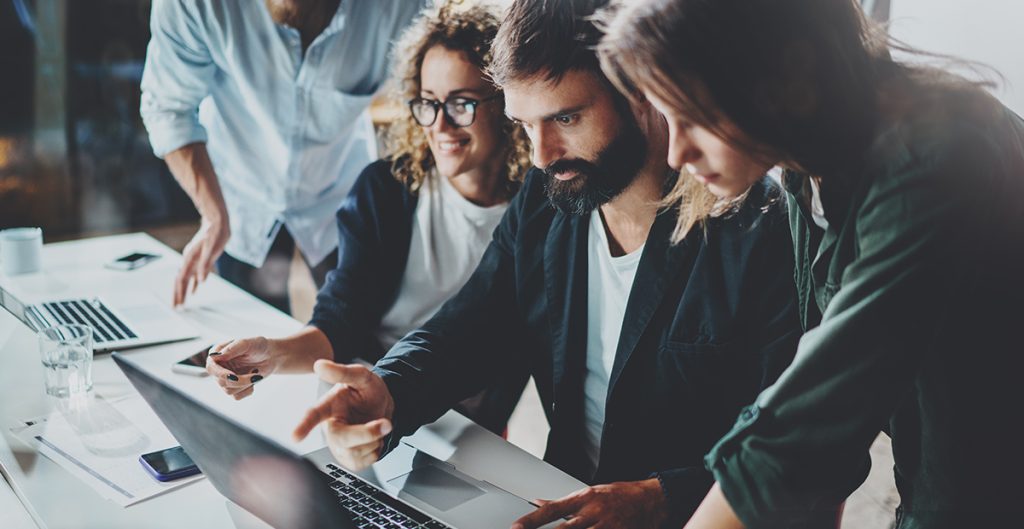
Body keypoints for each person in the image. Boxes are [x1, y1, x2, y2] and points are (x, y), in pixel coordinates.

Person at [281, 1, 803, 527]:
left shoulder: (760, 229)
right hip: (556, 502)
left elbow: (800, 447)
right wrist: (387, 390)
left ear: (640, 92)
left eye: (566, 118)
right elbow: (469, 326)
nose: (542, 155)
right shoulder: (548, 196)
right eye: (525, 126)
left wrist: (657, 498)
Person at [597, 0, 1024, 527]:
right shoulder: (806, 162)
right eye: (668, 118)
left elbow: (816, 415)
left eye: (696, 118)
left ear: (786, 73)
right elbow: (815, 394)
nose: (676, 153)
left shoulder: (935, 164)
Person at [204, 3, 533, 434]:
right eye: (428, 103)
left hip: (465, 425)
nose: (441, 125)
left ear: (506, 104)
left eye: (462, 103)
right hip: (362, 397)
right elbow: (339, 322)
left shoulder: (539, 215)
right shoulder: (385, 190)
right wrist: (273, 354)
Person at [140, 0, 425, 312]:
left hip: (340, 189)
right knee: (247, 338)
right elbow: (170, 109)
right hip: (240, 199)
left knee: (361, 328)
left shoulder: (402, 6)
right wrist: (213, 215)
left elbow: (432, 92)